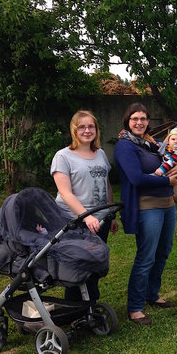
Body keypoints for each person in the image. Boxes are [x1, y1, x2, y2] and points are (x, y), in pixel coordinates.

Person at [114, 103, 177, 325]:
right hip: (147, 207)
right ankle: (135, 307)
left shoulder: (149, 143)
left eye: (143, 119)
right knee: (146, 256)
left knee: (163, 251)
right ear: (127, 121)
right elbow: (136, 178)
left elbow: (175, 157)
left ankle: (151, 294)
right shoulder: (125, 146)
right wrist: (166, 180)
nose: (140, 122)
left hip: (167, 205)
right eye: (135, 118)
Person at [51, 110, 118, 301]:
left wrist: (111, 213)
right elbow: (66, 193)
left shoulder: (101, 154)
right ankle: (74, 306)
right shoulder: (63, 156)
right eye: (82, 126)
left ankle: (90, 303)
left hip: (100, 220)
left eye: (91, 126)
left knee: (96, 262)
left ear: (96, 130)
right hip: (75, 221)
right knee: (77, 266)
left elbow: (106, 185)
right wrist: (86, 216)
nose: (87, 130)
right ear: (74, 130)